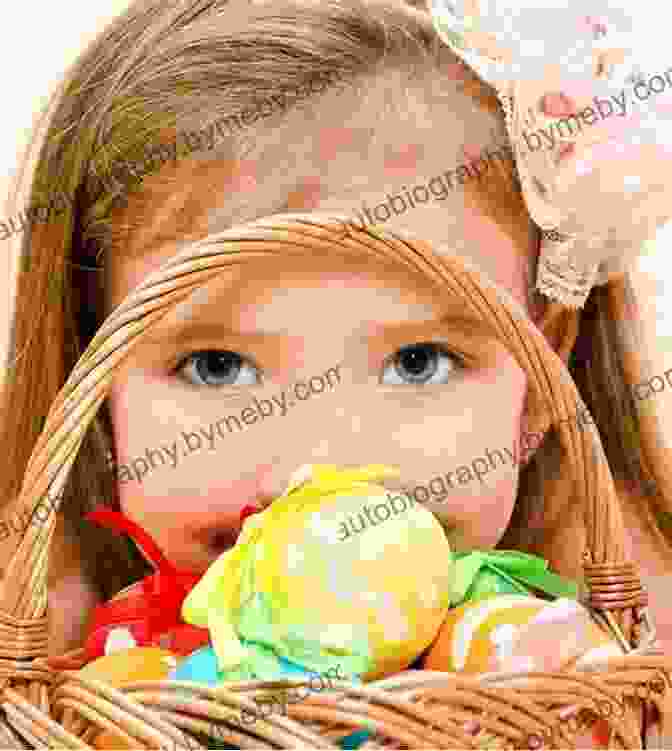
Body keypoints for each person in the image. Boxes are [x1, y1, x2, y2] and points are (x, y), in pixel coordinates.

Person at [0, 0, 671, 682]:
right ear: (95, 379)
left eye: (418, 363)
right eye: (216, 366)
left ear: (541, 364)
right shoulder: (69, 672)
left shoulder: (600, 666)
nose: (316, 465)